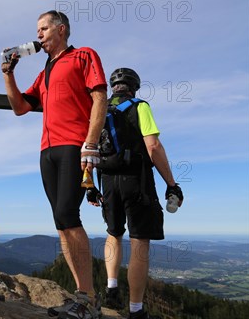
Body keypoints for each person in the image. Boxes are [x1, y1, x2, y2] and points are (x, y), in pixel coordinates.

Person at [1, 10, 107, 318]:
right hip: (47, 150)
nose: (39, 35)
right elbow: (20, 107)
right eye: (38, 30)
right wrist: (8, 74)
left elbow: (100, 97)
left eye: (44, 29)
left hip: (75, 145)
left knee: (67, 215)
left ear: (60, 29)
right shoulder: (44, 72)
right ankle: (82, 295)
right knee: (61, 222)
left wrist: (91, 142)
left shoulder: (84, 56)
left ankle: (88, 299)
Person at [88, 68, 184, 319]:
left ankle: (111, 288)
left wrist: (88, 184)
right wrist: (171, 184)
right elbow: (153, 146)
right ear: (134, 87)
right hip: (136, 181)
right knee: (140, 241)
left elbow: (87, 146)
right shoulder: (140, 106)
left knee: (113, 233)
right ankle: (136, 310)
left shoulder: (99, 108)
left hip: (106, 180)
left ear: (113, 86)